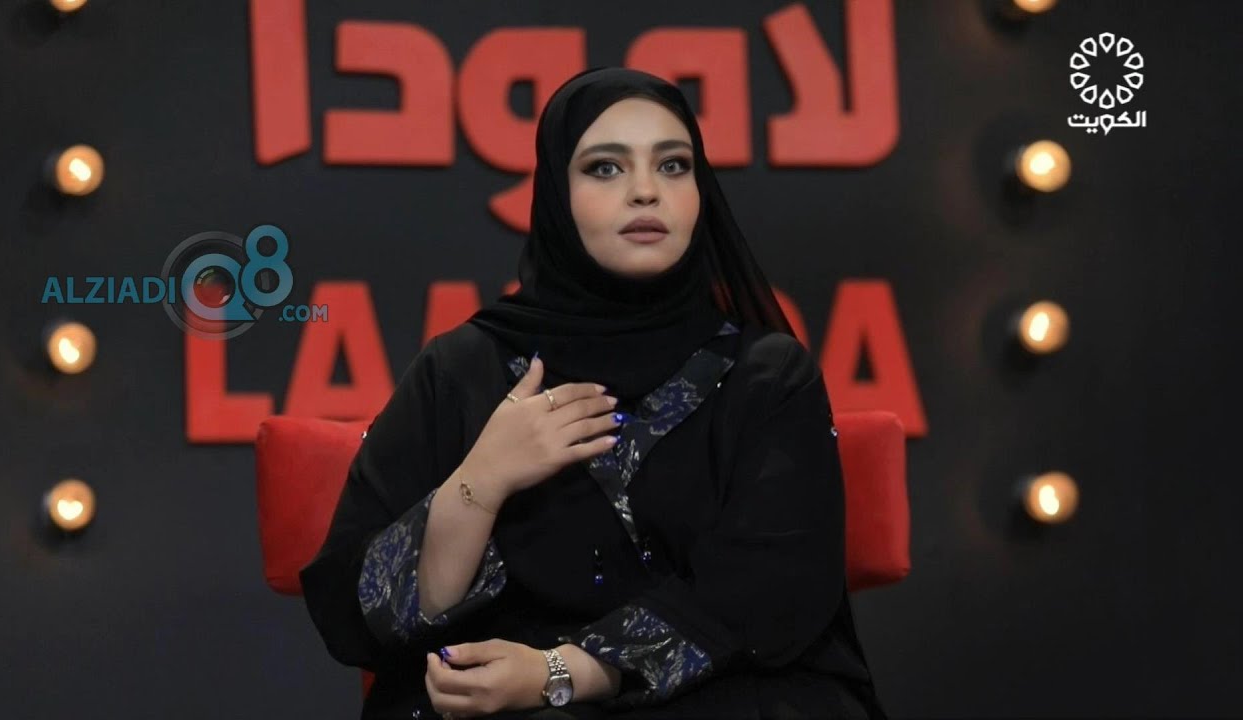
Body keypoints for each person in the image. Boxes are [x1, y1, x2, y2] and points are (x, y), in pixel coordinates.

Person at [299, 66, 889, 719]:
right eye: (605, 168)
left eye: (673, 165)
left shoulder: (766, 375)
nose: (646, 191)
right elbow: (362, 616)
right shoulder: (464, 369)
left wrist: (560, 671)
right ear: (556, 193)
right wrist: (482, 481)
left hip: (724, 692)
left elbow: (769, 587)